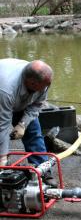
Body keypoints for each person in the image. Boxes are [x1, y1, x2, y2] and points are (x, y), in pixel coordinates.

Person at [0, 58, 57, 187]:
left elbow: (37, 104)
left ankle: (43, 170)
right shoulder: (6, 89)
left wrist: (23, 124)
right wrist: (2, 156)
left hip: (18, 100)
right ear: (32, 83)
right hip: (2, 97)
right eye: (44, 86)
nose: (46, 88)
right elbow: (2, 125)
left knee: (34, 133)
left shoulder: (44, 81)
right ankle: (3, 166)